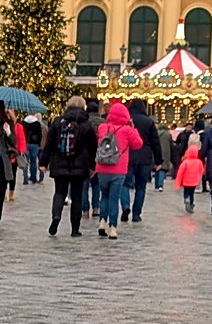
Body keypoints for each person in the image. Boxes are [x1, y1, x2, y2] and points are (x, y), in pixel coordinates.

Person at [45, 97, 96, 236]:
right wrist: (92, 165)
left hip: (59, 163)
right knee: (77, 196)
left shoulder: (57, 122)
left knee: (59, 193)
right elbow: (93, 147)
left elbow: (49, 144)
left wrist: (44, 162)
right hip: (80, 165)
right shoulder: (86, 125)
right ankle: (75, 229)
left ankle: (56, 217)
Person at [91, 98, 140, 238]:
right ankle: (112, 227)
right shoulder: (126, 130)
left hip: (102, 167)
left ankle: (102, 221)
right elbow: (138, 144)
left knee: (104, 196)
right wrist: (133, 128)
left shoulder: (102, 127)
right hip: (118, 169)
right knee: (114, 198)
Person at [125, 96, 158, 223]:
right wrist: (159, 160)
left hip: (129, 155)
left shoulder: (128, 120)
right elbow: (155, 142)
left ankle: (125, 205)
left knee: (125, 184)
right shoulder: (149, 121)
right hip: (145, 156)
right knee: (141, 187)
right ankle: (136, 214)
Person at [175, 133, 206, 211]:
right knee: (192, 193)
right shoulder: (199, 162)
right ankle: (191, 203)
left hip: (186, 181)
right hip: (194, 181)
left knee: (186, 191)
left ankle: (186, 198)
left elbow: (180, 173)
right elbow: (202, 171)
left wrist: (178, 183)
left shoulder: (185, 162)